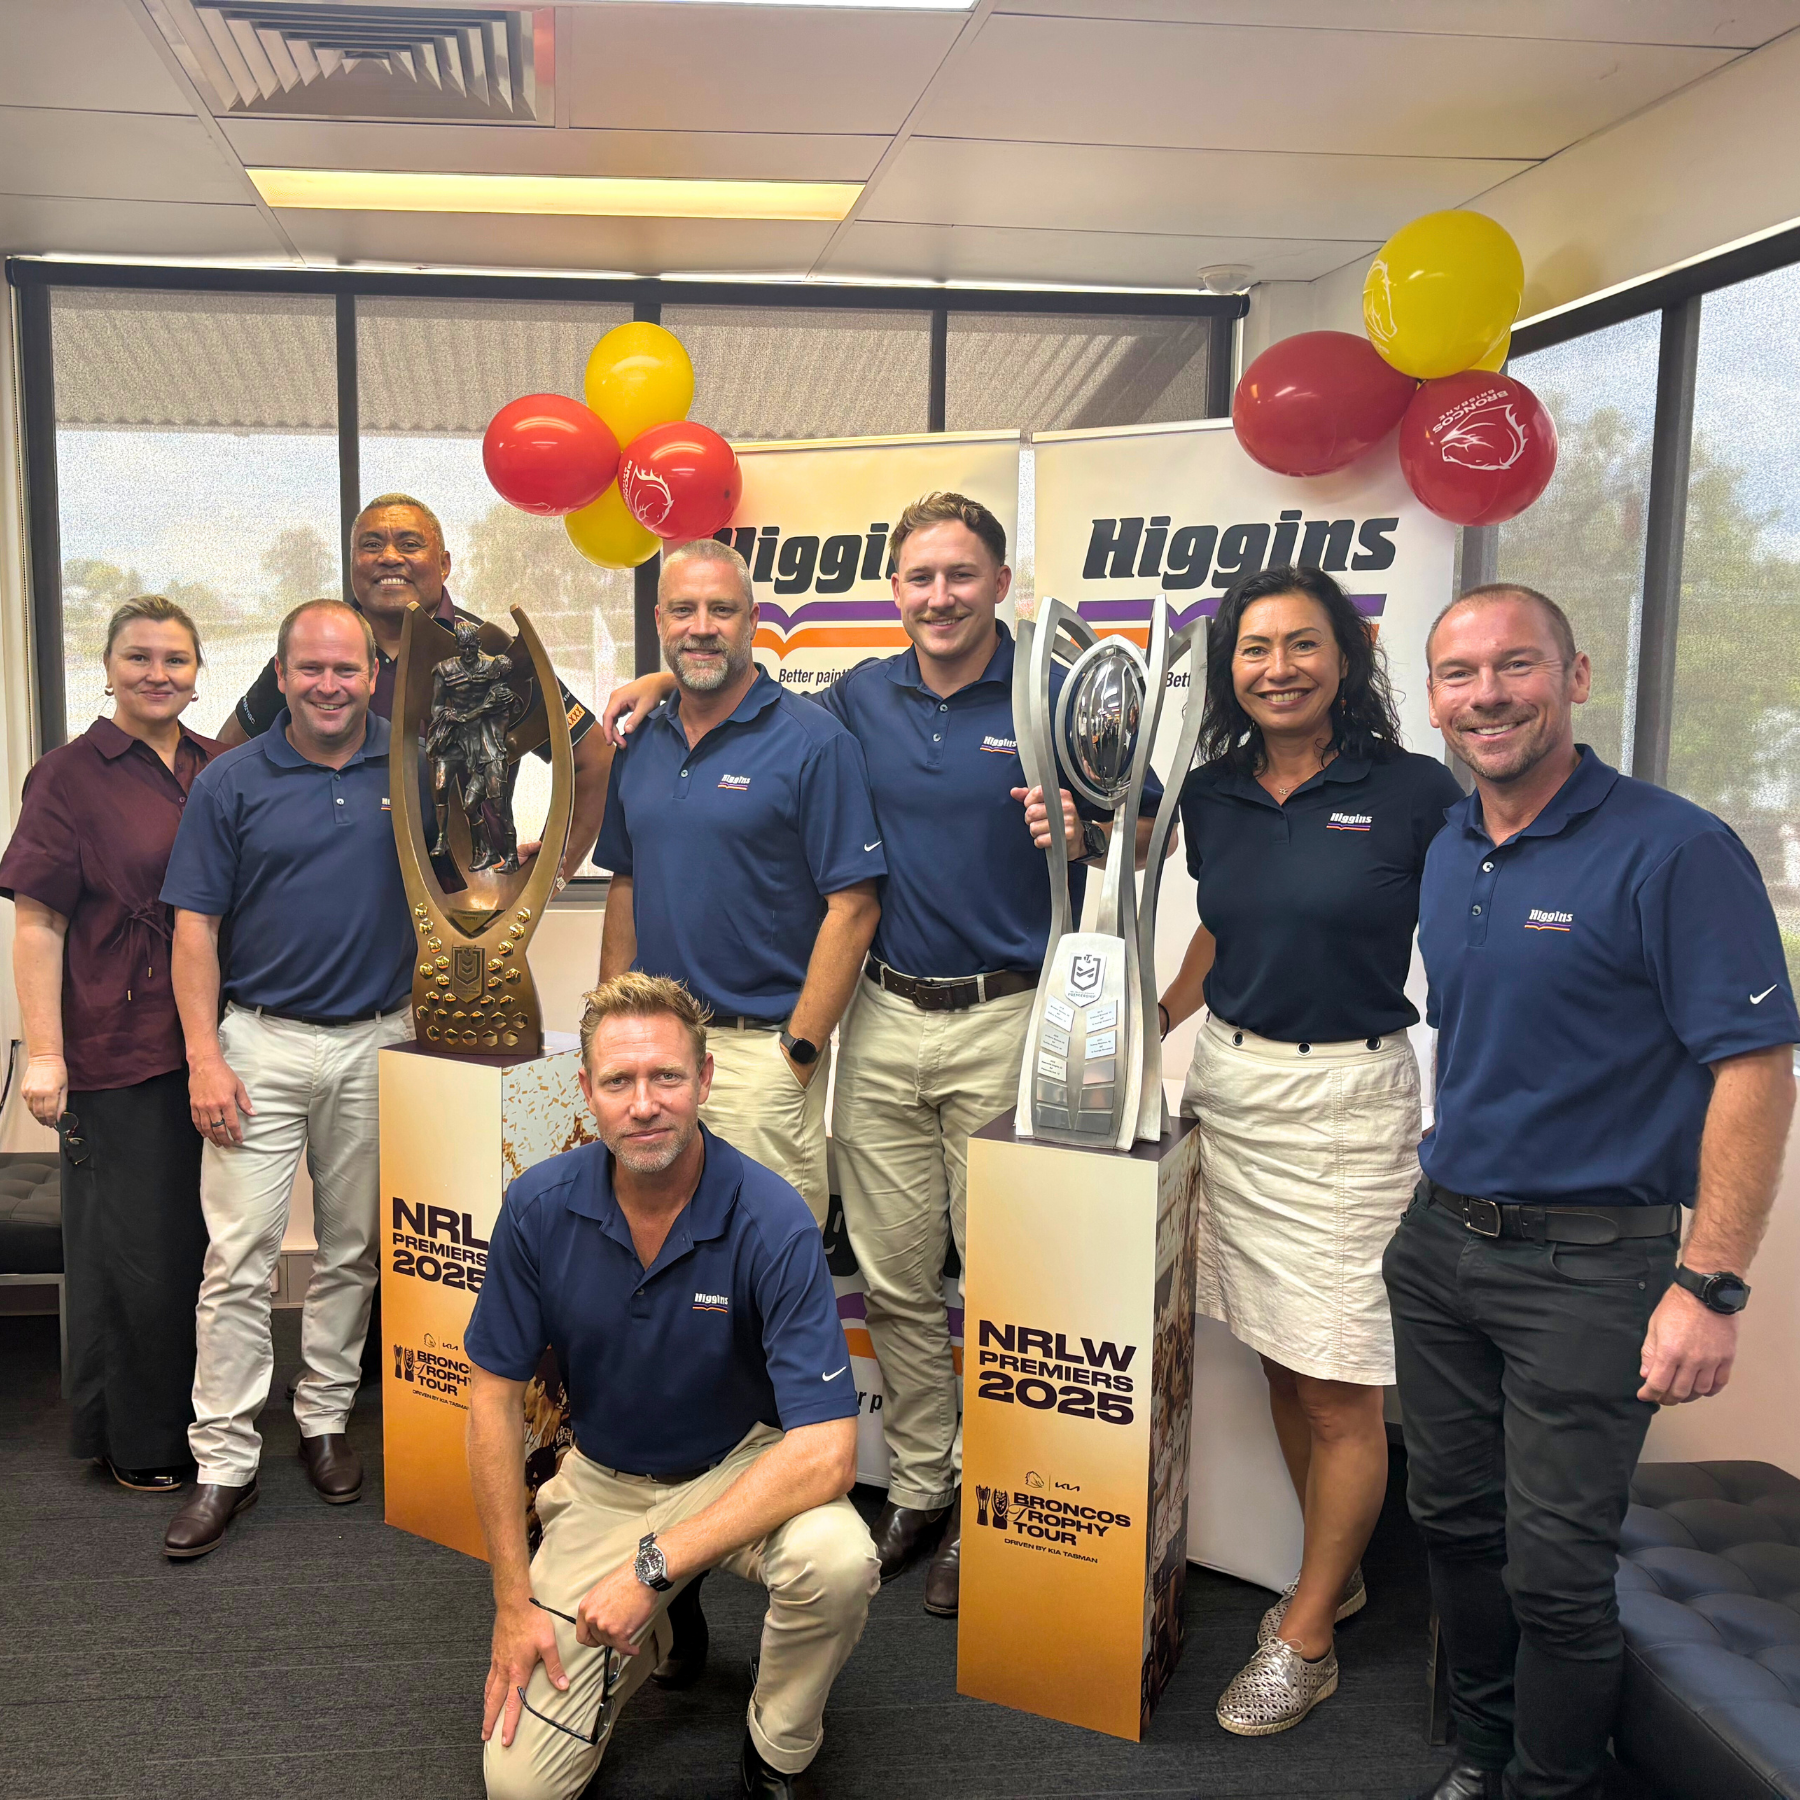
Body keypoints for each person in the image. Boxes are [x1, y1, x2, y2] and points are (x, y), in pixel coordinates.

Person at [602, 492, 1162, 1620]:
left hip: (1015, 1015)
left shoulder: (1052, 688)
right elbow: (738, 692)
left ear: (1000, 583)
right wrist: (662, 681)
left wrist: (1096, 829)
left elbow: (1148, 823)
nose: (939, 596)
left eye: (960, 575)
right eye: (919, 578)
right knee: (902, 1280)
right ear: (895, 591)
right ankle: (921, 1487)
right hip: (888, 1019)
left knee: (1012, 1289)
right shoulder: (858, 696)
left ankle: (1008, 1508)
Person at [1387, 583, 1798, 1800]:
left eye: (1516, 667)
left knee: (1553, 1572)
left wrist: (1709, 1282)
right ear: (1435, 699)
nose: (1487, 696)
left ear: (1573, 678)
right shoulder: (1455, 842)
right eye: (1459, 676)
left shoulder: (1674, 848)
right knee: (1455, 1532)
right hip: (1443, 1242)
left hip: (1592, 1267)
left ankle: (1548, 1787)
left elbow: (1757, 1070)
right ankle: (1481, 1757)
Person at [1156, 565, 1464, 1736]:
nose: (1276, 667)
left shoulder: (1413, 792)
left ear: (1344, 659)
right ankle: (1339, 1572)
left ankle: (1310, 1630)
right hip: (1231, 1092)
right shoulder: (1217, 792)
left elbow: (1470, 940)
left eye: (1301, 644)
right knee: (1285, 1358)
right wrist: (1155, 1024)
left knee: (1341, 1383)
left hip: (1347, 1104)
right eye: (1252, 648)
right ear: (1229, 667)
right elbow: (1227, 925)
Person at [466, 973, 878, 1800]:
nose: (644, 1104)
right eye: (618, 1081)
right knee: (521, 1789)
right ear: (586, 1091)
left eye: (667, 1077)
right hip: (605, 1484)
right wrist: (513, 1604)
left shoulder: (772, 1219)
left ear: (706, 1081)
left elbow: (829, 1454)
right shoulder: (536, 1208)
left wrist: (652, 1567)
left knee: (838, 1559)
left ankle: (776, 1748)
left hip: (736, 1463)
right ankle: (666, 1617)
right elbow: (491, 1401)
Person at [158, 598, 419, 1558]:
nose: (328, 684)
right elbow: (196, 929)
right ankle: (223, 1461)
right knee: (239, 1261)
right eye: (309, 669)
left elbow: (464, 882)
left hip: (380, 1040)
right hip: (259, 1044)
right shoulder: (230, 781)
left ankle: (322, 1420)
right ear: (280, 675)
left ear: (370, 675)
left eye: (345, 669)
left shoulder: (413, 763)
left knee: (355, 1247)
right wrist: (205, 1058)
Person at [594, 536, 883, 1227]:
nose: (701, 627)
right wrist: (603, 1025)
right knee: (651, 1254)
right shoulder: (639, 744)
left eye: (721, 610)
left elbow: (856, 905)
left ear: (754, 622)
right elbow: (625, 886)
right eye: (684, 610)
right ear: (660, 622)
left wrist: (798, 1058)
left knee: (767, 1276)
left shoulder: (815, 743)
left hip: (760, 1059)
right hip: (653, 1059)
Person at [0, 597, 218, 1491]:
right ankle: (138, 1438)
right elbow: (39, 923)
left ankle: (206, 1416)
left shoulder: (219, 766)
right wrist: (45, 1054)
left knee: (204, 1244)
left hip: (213, 1038)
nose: (157, 674)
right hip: (113, 1043)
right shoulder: (66, 774)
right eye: (139, 658)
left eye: (175, 659)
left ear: (198, 672)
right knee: (136, 1251)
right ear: (108, 667)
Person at [214, 493, 609, 887]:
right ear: (353, 563)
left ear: (444, 564)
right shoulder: (312, 652)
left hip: (463, 909)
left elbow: (595, 757)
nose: (388, 557)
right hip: (328, 893)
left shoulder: (492, 651)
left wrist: (550, 875)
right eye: (371, 545)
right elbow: (227, 754)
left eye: (409, 544)